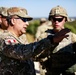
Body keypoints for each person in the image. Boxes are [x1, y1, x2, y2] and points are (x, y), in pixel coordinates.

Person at [0, 6, 70, 75]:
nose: (27, 23)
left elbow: (34, 55)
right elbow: (22, 52)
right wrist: (51, 40)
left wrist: (53, 43)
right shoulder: (4, 39)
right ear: (13, 20)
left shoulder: (20, 38)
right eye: (24, 20)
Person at [35, 5, 76, 75]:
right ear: (50, 19)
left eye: (59, 19)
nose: (56, 22)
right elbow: (35, 56)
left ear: (65, 20)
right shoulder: (44, 37)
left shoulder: (72, 37)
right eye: (54, 19)